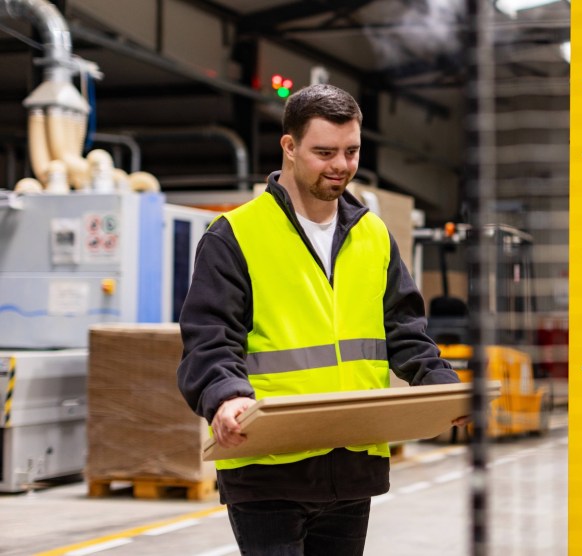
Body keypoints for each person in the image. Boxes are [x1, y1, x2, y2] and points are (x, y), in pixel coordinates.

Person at [177, 83, 461, 555]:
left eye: (351, 151)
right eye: (325, 152)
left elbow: (406, 331)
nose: (341, 166)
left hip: (352, 464)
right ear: (288, 147)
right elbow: (209, 340)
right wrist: (223, 397)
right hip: (267, 465)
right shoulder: (235, 236)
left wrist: (441, 383)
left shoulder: (374, 236)